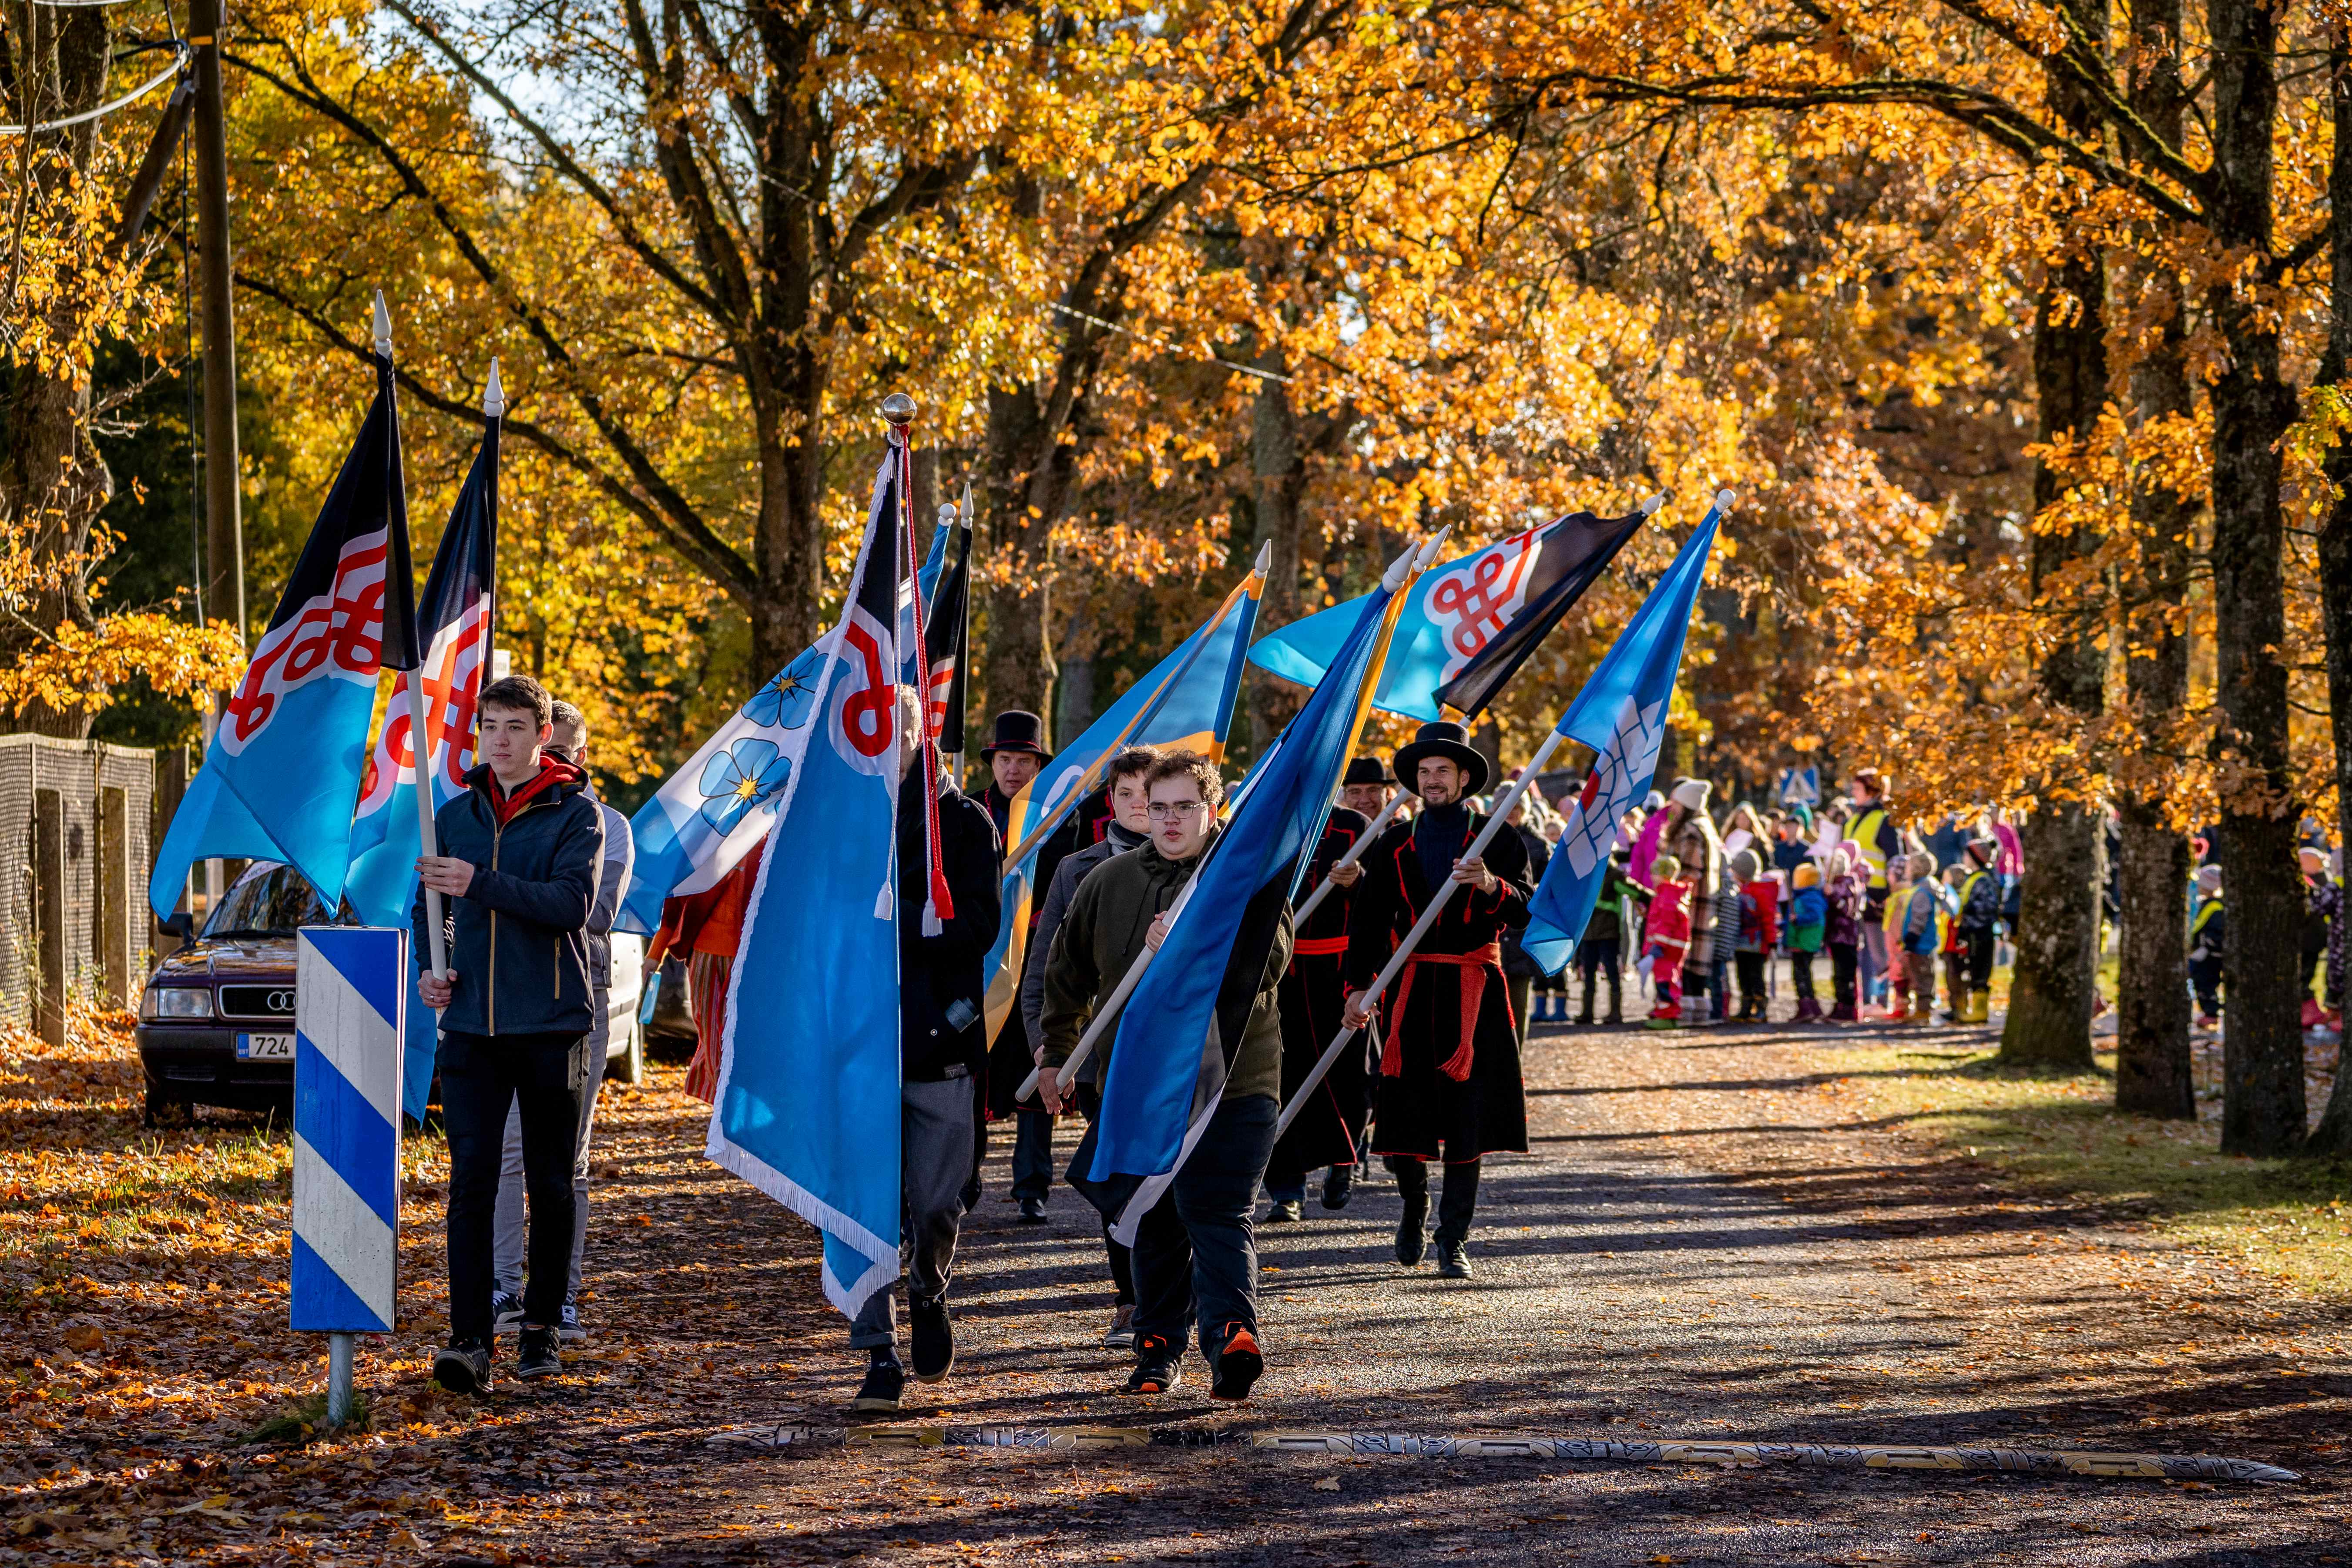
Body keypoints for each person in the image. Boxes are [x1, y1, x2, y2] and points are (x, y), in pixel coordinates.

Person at [1038, 751, 1292, 1401]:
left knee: (1216, 1208)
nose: (1171, 819)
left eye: (1186, 806)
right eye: (1159, 806)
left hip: (1232, 1081)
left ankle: (1233, 1335)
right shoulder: (1108, 881)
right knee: (1150, 1215)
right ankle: (1157, 1347)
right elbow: (1064, 978)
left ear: (1213, 811)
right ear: (1141, 810)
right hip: (1137, 1084)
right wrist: (1053, 1057)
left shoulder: (1246, 881)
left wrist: (1191, 942)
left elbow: (1270, 967)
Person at [415, 674, 605, 1393]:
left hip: (553, 1027)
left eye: (516, 726)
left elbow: (569, 904)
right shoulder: (453, 815)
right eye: (491, 724)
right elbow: (429, 906)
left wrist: (480, 882)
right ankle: (470, 1340)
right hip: (470, 1029)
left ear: (543, 734)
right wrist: (432, 971)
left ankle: (542, 1329)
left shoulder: (574, 813)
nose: (500, 737)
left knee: (551, 1184)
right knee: (471, 1182)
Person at [851, 691, 1004, 1414]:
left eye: (901, 726)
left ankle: (929, 1289)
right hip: (858, 1046)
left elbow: (979, 925)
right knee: (865, 1208)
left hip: (940, 1041)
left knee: (937, 1202)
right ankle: (878, 1351)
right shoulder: (841, 820)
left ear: (921, 730)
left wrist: (902, 921)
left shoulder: (965, 822)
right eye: (875, 725)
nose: (889, 739)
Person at [1340, 722, 1534, 1281]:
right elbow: (1369, 922)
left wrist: (1492, 886)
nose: (1431, 781)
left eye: (1441, 772)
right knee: (1402, 1112)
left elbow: (1527, 908)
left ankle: (1454, 1238)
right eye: (1423, 773)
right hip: (1411, 989)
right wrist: (1358, 986)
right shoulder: (1394, 844)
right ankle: (1413, 1204)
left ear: (1464, 778)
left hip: (1474, 993)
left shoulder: (1495, 837)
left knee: (1466, 1116)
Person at [490, 701, 634, 1343]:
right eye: (553, 753)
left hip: (580, 1001)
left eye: (569, 753)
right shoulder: (496, 820)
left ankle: (563, 1295)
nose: (559, 764)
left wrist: (504, 890)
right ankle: (503, 1287)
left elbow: (587, 911)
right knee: (508, 1154)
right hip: (507, 1001)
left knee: (567, 1159)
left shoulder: (611, 826)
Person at [1017, 745, 1160, 1348]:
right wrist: (1050, 1053)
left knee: (1171, 1178)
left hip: (1174, 1046)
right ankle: (1129, 1297)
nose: (1138, 807)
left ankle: (1171, 1298)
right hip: (1102, 1052)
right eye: (1126, 794)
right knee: (1115, 1174)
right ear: (1111, 799)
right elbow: (1045, 967)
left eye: (1149, 796)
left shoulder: (1198, 866)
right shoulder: (1077, 869)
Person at [1263, 784, 1376, 1223]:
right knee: (1279, 1076)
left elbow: (1379, 898)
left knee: (1348, 1072)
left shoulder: (1354, 827)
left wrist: (1358, 880)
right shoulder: (1271, 826)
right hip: (1281, 973)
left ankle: (1344, 1163)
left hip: (1339, 971)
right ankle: (1285, 1190)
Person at [976, 710, 1060, 1224]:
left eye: (1023, 760)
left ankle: (1032, 1187)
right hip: (985, 960)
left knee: (1039, 1065)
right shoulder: (970, 814)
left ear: (1037, 765)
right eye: (1005, 759)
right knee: (974, 1074)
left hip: (1036, 959)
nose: (1013, 770)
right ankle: (963, 1183)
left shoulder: (1057, 817)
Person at [648, 836, 765, 1105]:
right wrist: (654, 957)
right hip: (706, 955)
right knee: (713, 1038)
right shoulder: (708, 843)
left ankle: (737, 1116)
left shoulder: (772, 844)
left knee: (745, 1041)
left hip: (753, 959)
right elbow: (674, 905)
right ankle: (725, 1114)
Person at [1662, 780, 1725, 1022]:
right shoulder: (1707, 826)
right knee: (1699, 959)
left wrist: (1671, 889)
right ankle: (1698, 1009)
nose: (1673, 807)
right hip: (1705, 902)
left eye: (1676, 803)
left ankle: (1685, 1010)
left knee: (1685, 956)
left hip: (1690, 901)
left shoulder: (1690, 830)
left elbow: (1688, 869)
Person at [1500, 791, 1554, 1041]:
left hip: (1522, 932)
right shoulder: (1483, 838)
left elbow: (1550, 886)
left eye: (1517, 806)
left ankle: (1516, 1066)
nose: (1511, 811)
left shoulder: (1538, 843)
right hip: (1492, 934)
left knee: (1518, 1006)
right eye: (1505, 805)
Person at [1847, 769, 1902, 1013]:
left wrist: (1892, 894)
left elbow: (1894, 858)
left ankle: (1885, 1001)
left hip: (1878, 896)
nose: (1852, 793)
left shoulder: (1884, 820)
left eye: (1857, 789)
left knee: (1880, 950)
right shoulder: (1853, 819)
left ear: (1872, 791)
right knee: (1865, 951)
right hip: (1854, 894)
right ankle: (1871, 1000)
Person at [1948, 836, 2003, 1024]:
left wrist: (1969, 919)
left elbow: (1986, 908)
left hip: (1980, 933)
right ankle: (1966, 1009)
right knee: (1969, 969)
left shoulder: (1984, 880)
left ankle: (1979, 1010)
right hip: (1971, 932)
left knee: (1980, 970)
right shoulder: (1974, 878)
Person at [1575, 845, 1631, 1025]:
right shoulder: (1586, 874)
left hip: (1608, 932)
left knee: (1612, 972)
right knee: (1589, 972)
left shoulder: (1615, 875)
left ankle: (1615, 1013)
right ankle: (1587, 1013)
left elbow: (1634, 892)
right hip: (1589, 933)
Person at [1641, 854, 1691, 1024]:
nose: (1652, 877)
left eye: (1655, 873)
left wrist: (1659, 944)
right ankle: (1662, 1010)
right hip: (1668, 946)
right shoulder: (1667, 893)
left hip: (1667, 948)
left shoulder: (1667, 895)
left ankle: (1669, 1014)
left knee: (1666, 979)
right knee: (1664, 978)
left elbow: (1667, 922)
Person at [1731, 848, 1777, 1022]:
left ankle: (1761, 1008)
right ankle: (1746, 1007)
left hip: (1757, 944)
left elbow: (1768, 918)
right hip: (1741, 942)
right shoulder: (1741, 890)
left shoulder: (1760, 891)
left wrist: (1771, 942)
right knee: (1742, 974)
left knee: (1755, 975)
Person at [1899, 851, 1941, 1022]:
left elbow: (1919, 917)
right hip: (1919, 942)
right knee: (1917, 977)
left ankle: (1924, 1012)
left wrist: (1911, 938)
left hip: (1921, 943)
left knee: (1923, 977)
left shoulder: (1923, 892)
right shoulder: (1919, 888)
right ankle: (1920, 1010)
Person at [1824, 848, 1865, 1023]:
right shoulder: (1835, 882)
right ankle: (1840, 1004)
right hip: (1835, 935)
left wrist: (1832, 894)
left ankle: (1847, 1008)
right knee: (1838, 973)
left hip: (1845, 936)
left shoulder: (1848, 883)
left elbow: (1847, 909)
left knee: (1845, 973)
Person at [1786, 861, 1825, 1022]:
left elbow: (1815, 917)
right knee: (1804, 973)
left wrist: (1799, 920)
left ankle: (1807, 1007)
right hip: (1802, 941)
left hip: (1803, 942)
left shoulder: (1809, 899)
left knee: (1801, 975)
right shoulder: (1809, 897)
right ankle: (1812, 1007)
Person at [2188, 863, 2225, 1029]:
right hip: (2205, 953)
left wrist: (2208, 947)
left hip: (2210, 955)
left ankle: (2211, 1013)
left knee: (2206, 983)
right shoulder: (2209, 904)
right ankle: (2209, 1012)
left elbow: (2215, 932)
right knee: (2202, 982)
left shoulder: (2216, 907)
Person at [1338, 754, 1400, 825]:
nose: (1365, 800)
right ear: (1345, 796)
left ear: (1387, 794)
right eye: (1355, 792)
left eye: (1373, 791)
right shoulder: (1329, 832)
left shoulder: (1406, 832)